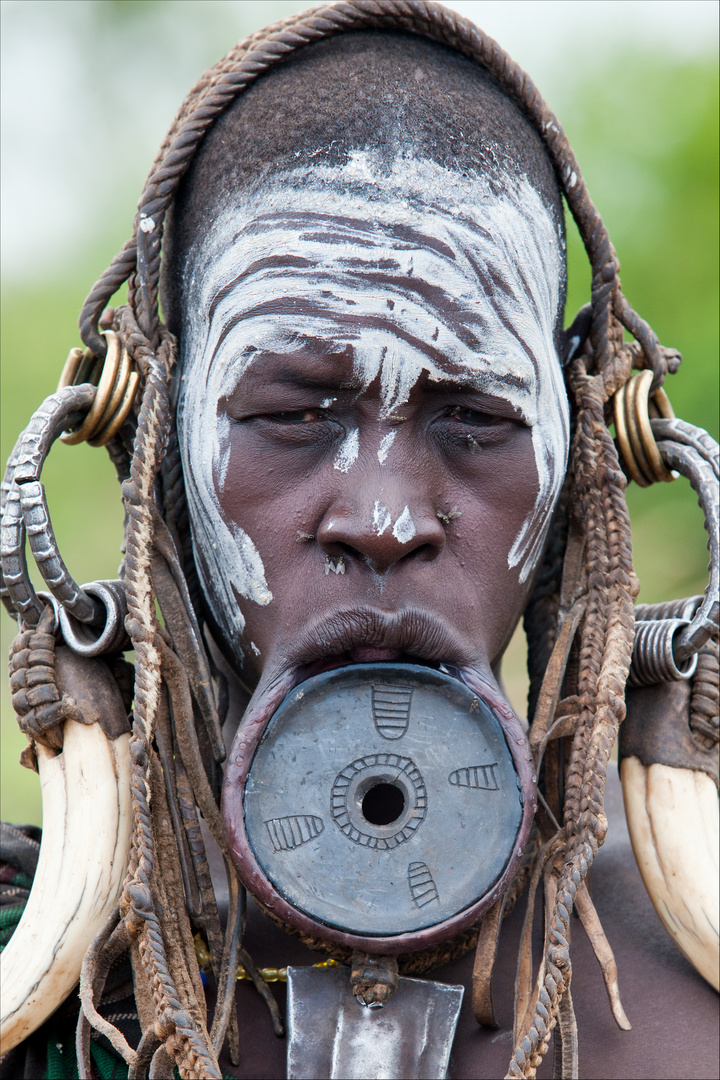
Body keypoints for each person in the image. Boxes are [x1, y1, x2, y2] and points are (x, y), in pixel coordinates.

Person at [1, 4, 717, 1079]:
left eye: (474, 421)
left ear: (590, 454)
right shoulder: (30, 964)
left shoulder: (683, 998)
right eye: (294, 416)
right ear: (151, 437)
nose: (382, 519)